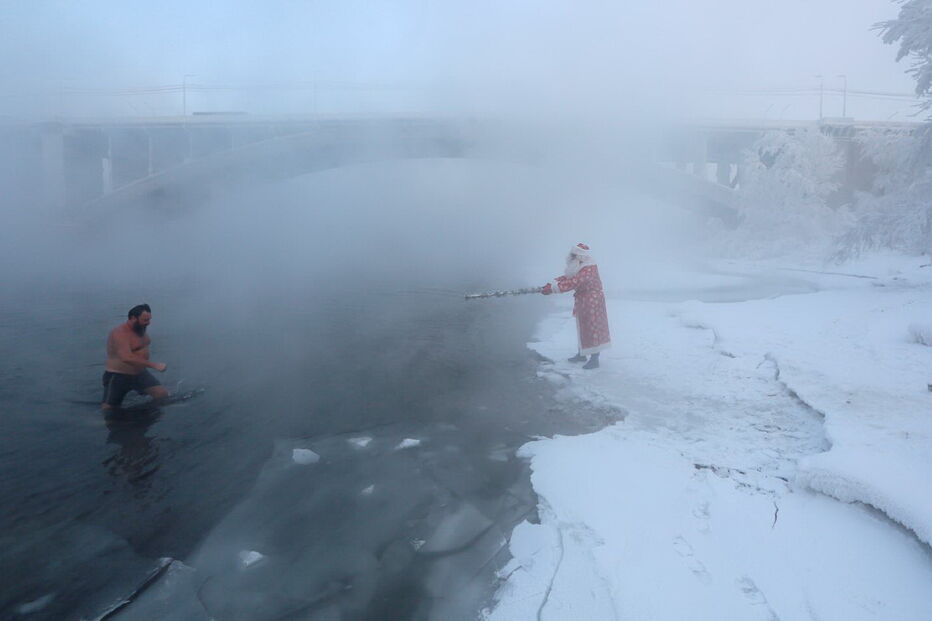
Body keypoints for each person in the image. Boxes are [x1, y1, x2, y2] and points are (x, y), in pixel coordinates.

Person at [541, 243, 611, 369]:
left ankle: (595, 359)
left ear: (579, 256)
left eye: (573, 255)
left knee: (593, 328)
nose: (570, 257)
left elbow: (574, 281)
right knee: (582, 327)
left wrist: (553, 289)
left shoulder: (589, 268)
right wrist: (553, 283)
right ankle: (582, 354)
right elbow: (569, 277)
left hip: (592, 300)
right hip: (583, 299)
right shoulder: (580, 265)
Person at [101, 304, 169, 412]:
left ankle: (144, 415)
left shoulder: (140, 328)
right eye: (145, 320)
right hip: (119, 376)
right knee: (109, 409)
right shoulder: (120, 333)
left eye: (149, 319)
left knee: (161, 395)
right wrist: (154, 365)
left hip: (139, 374)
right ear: (133, 318)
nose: (148, 323)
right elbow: (126, 357)